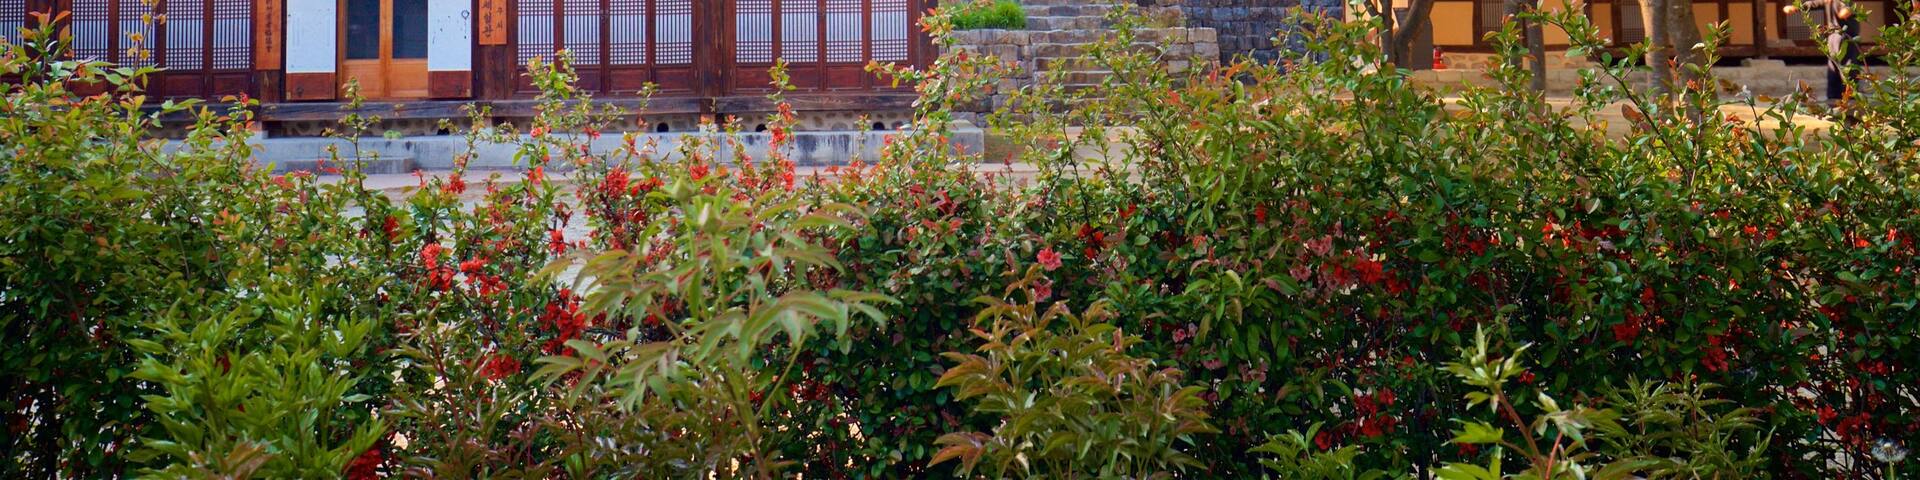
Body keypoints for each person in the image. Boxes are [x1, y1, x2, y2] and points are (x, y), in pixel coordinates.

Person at [1784, 0, 1863, 101]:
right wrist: (1796, 8)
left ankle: (1849, 100)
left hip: (1847, 38)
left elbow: (1846, 11)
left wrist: (1847, 10)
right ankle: (1833, 99)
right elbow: (1813, 3)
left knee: (1848, 69)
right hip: (1833, 37)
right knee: (1834, 68)